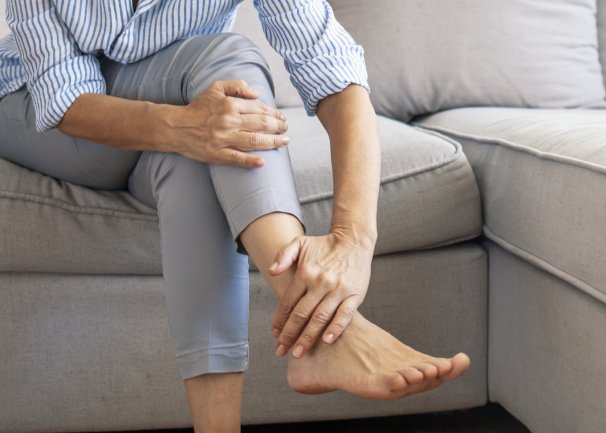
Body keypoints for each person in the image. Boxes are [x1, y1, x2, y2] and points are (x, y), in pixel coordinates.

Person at [0, 0, 470, 431]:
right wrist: (184, 124)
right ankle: (332, 334)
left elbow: (335, 72)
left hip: (170, 105)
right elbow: (63, 98)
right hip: (44, 117)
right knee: (228, 59)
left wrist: (354, 240)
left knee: (205, 150)